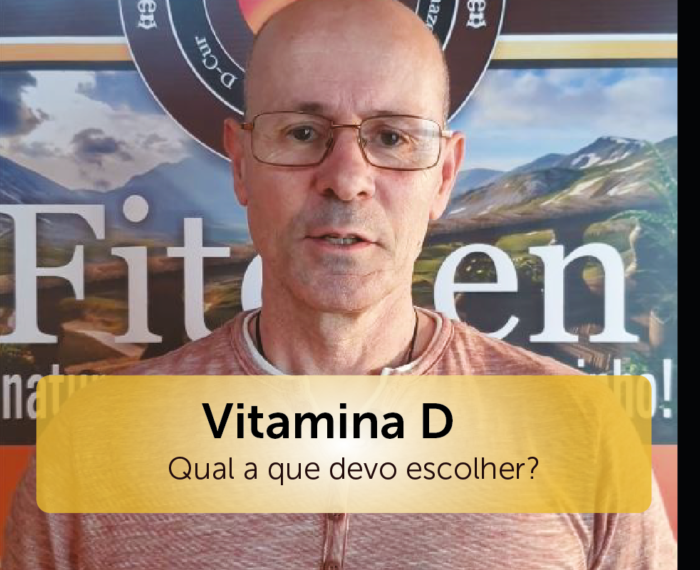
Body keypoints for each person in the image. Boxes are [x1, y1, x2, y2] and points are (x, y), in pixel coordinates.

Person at [3, 0, 676, 568]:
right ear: (241, 165)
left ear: (444, 175)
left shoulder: (586, 434)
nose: (347, 178)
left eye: (393, 138)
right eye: (302, 133)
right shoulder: (88, 448)